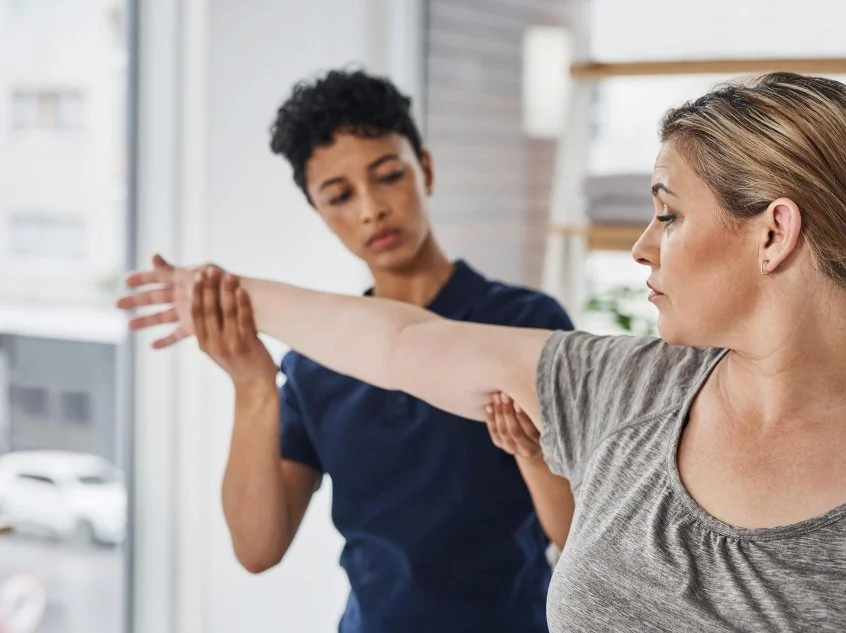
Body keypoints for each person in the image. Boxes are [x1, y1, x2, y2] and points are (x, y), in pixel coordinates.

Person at [119, 72, 846, 631]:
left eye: (668, 211)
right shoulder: (626, 386)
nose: (643, 248)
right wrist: (232, 297)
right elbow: (397, 342)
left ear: (773, 233)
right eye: (337, 193)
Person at [141, 69, 577, 633]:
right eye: (340, 195)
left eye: (388, 176)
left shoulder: (525, 324)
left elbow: (576, 537)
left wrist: (534, 454)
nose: (371, 209)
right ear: (318, 211)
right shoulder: (315, 362)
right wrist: (251, 384)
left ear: (426, 170)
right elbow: (257, 547)